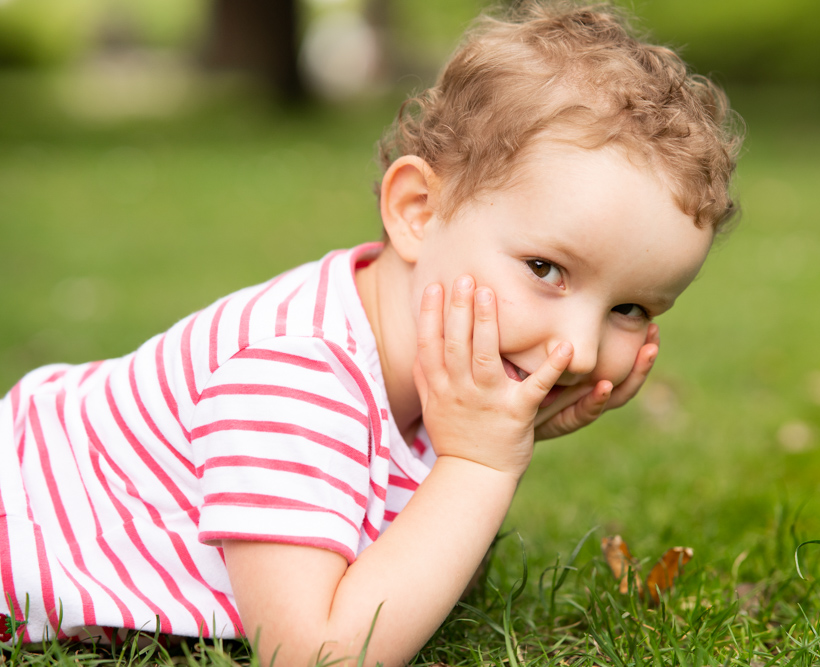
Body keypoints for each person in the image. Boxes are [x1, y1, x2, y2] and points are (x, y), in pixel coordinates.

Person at [0, 2, 741, 665]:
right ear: (418, 209)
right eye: (546, 267)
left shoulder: (406, 354)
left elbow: (399, 569)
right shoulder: (295, 372)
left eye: (632, 309)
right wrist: (479, 466)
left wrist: (499, 440)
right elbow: (315, 652)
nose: (577, 349)